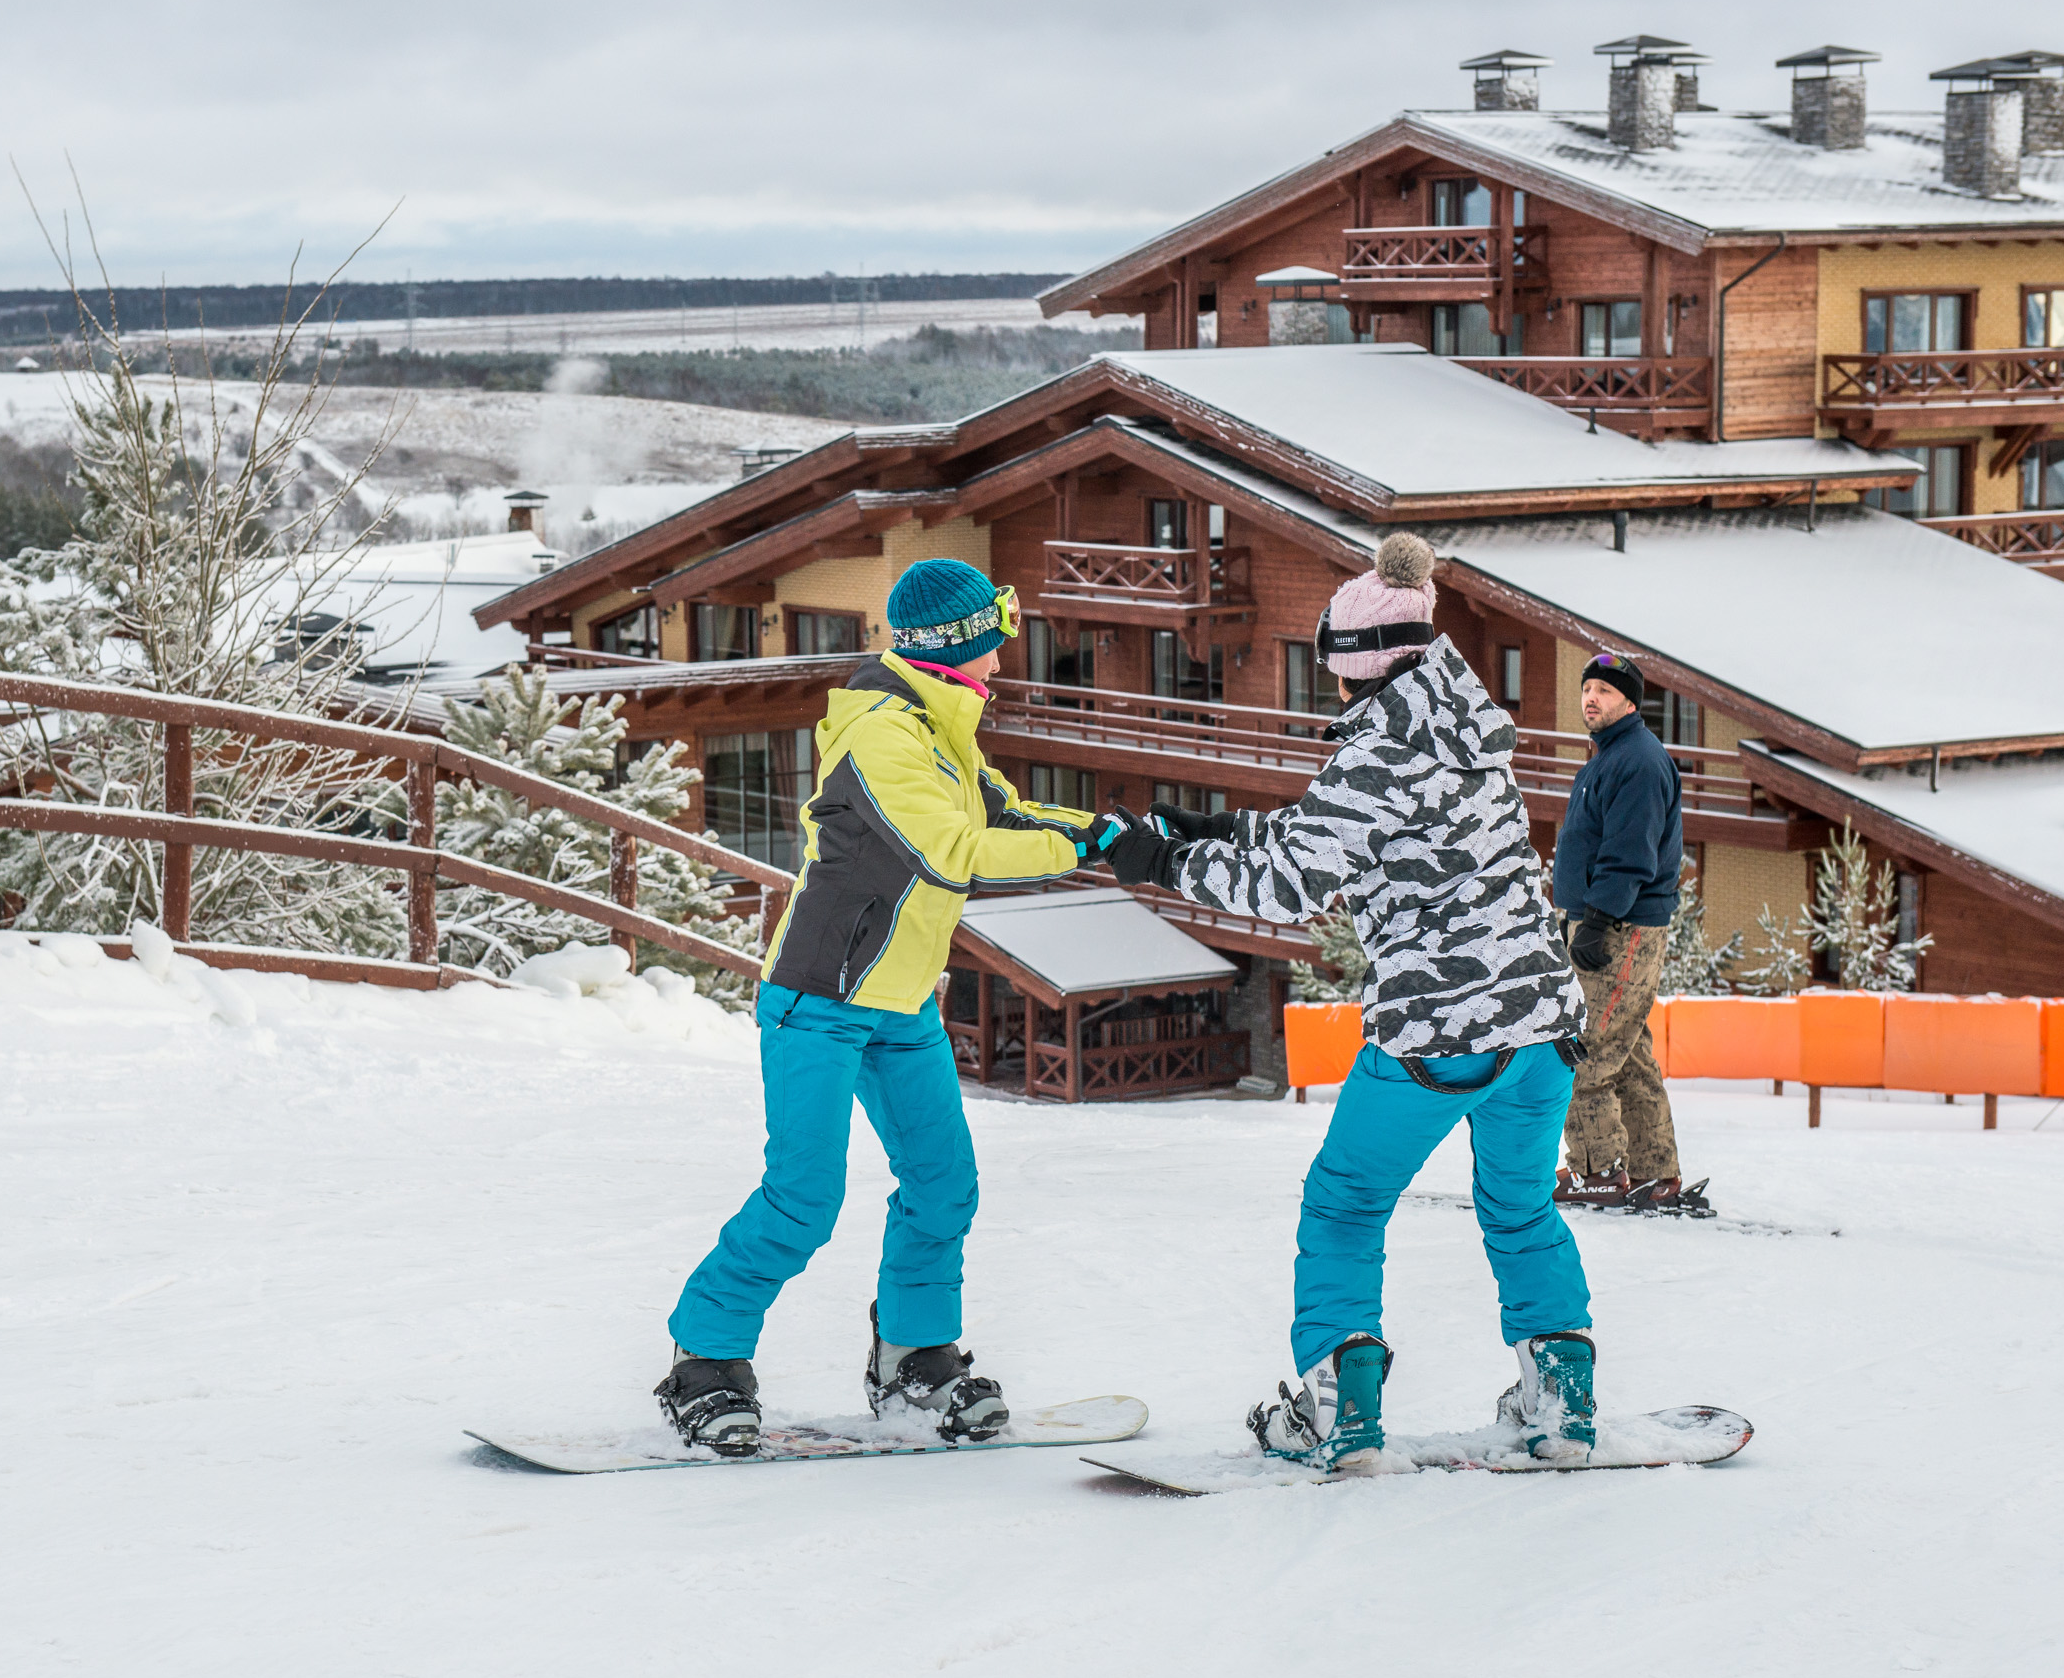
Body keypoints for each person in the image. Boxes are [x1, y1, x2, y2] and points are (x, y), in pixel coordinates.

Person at [1109, 533, 1599, 1470]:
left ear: (1351, 666)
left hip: (1437, 1033)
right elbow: (1340, 833)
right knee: (1522, 1211)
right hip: (1539, 1029)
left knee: (1345, 1204)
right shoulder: (1463, 723)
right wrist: (1222, 825)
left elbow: (1291, 885)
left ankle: (1344, 1409)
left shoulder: (1375, 754)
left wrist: (1164, 861)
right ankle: (1561, 1404)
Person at [654, 559, 1131, 1456]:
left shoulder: (941, 726)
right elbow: (948, 849)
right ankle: (704, 1361)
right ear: (959, 648)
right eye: (996, 640)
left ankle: (914, 1359)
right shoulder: (880, 732)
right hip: (821, 997)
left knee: (944, 1185)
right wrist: (1074, 857)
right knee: (804, 1197)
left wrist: (1109, 835)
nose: (1004, 660)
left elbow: (1007, 811)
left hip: (900, 1003)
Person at [1551, 651, 1707, 1216]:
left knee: (1584, 1051)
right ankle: (1654, 1173)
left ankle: (1597, 1172)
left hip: (1618, 928)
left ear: (1631, 702)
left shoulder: (1637, 762)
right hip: (1606, 922)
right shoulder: (1610, 757)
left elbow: (1629, 854)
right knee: (1629, 1055)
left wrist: (1596, 920)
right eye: (1587, 687)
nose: (1591, 698)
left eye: (1605, 692)